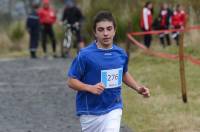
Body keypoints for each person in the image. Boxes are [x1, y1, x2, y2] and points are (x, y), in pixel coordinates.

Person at [67, 11, 150, 132]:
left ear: (114, 31)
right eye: (101, 30)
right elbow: (71, 81)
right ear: (95, 33)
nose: (105, 33)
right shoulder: (85, 55)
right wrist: (90, 88)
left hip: (114, 107)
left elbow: (123, 73)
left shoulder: (120, 54)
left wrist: (138, 88)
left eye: (109, 29)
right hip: (89, 111)